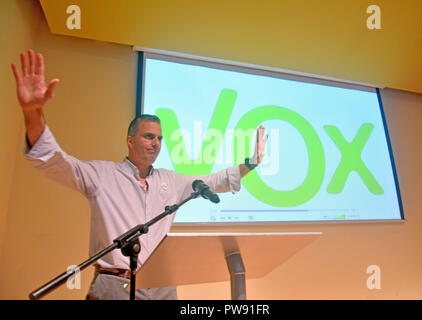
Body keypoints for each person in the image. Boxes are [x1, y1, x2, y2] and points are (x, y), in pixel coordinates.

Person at [11, 49, 268, 300]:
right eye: (148, 136)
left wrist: (252, 163)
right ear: (130, 140)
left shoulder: (172, 181)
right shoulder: (101, 174)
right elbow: (57, 162)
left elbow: (215, 182)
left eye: (159, 138)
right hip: (113, 284)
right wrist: (33, 112)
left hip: (161, 286)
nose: (155, 143)